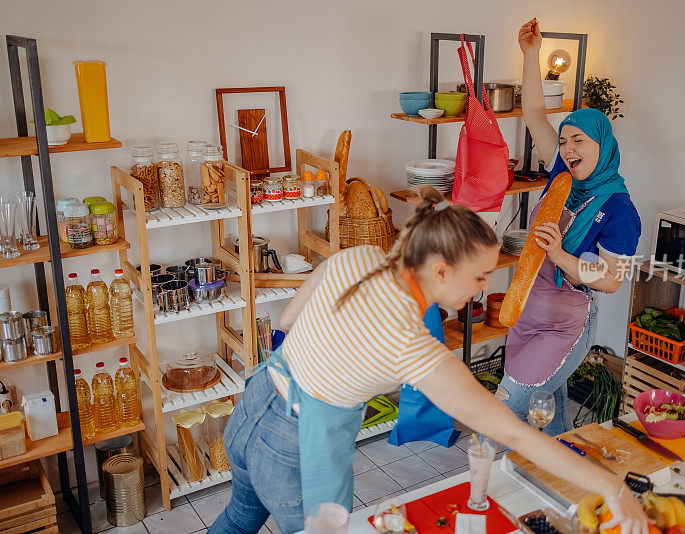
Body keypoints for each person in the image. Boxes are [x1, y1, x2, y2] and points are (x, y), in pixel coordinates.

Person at [209, 189, 648, 534]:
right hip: (295, 451)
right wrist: (611, 486)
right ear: (440, 271)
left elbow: (289, 320)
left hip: (254, 406)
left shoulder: (357, 258)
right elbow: (514, 432)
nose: (480, 290)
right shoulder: (411, 344)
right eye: (478, 277)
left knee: (238, 519)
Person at [497, 18, 642, 435]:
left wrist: (560, 255)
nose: (567, 148)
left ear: (603, 144)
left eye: (579, 140)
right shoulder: (562, 177)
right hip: (526, 312)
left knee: (506, 417)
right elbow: (536, 114)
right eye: (564, 141)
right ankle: (565, 487)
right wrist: (530, 54)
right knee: (551, 418)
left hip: (563, 325)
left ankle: (495, 489)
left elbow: (612, 280)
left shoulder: (619, 210)